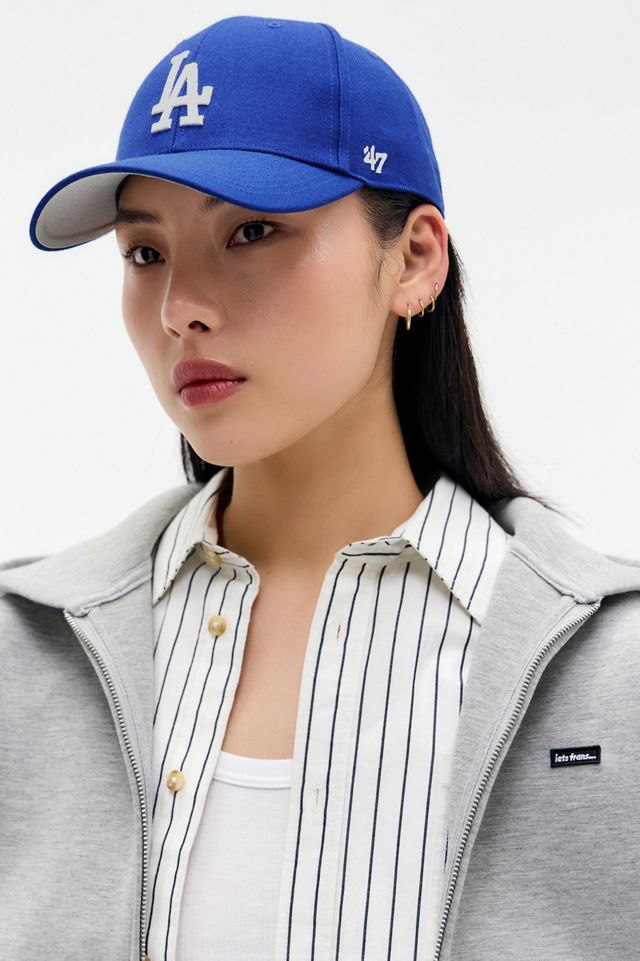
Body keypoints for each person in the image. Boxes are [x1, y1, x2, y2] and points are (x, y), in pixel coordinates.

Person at [1, 13, 638, 961]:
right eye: (145, 252)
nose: (181, 308)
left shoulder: (613, 675)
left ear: (414, 259)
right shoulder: (21, 658)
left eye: (252, 231)